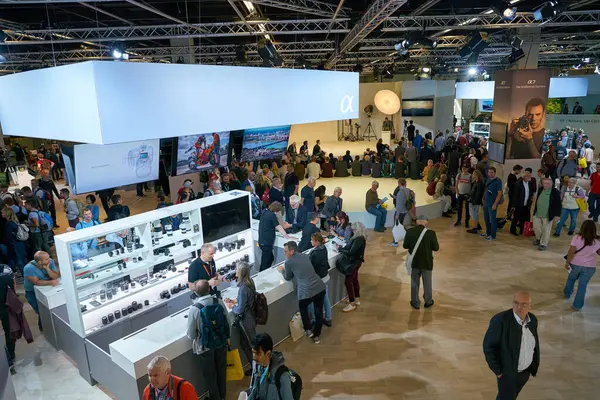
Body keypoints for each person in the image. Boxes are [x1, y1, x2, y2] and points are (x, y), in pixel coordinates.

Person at [483, 291, 540, 400]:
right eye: (516, 303)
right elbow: (489, 347)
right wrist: (498, 371)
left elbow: (533, 343)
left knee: (508, 397)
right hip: (507, 374)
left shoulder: (533, 320)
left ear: (530, 306)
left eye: (524, 304)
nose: (519, 307)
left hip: (524, 373)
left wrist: (532, 366)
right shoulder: (500, 320)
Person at [186, 280, 229, 400]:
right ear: (209, 289)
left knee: (210, 375)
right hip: (221, 342)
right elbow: (227, 322)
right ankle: (223, 396)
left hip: (204, 347)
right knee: (221, 371)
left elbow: (191, 334)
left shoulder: (194, 309)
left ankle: (215, 398)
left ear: (196, 293)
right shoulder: (218, 302)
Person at [277, 241, 326, 344]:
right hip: (320, 287)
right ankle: (317, 335)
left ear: (292, 251)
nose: (284, 253)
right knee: (319, 312)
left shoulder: (288, 262)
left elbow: (287, 277)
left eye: (285, 251)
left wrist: (281, 270)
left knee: (302, 307)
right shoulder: (304, 255)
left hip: (307, 291)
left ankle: (308, 329)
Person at [225, 262, 256, 374]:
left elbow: (240, 310)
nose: (235, 272)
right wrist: (235, 301)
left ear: (240, 272)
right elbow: (247, 300)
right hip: (251, 318)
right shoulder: (250, 282)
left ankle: (256, 369)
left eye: (237, 270)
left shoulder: (243, 288)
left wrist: (232, 306)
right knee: (247, 343)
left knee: (251, 345)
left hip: (246, 321)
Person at [403, 215, 439, 310]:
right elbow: (436, 248)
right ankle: (428, 301)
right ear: (426, 222)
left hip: (414, 262)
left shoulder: (410, 232)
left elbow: (405, 246)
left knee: (414, 282)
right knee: (427, 283)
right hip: (427, 262)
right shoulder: (431, 233)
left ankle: (415, 302)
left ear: (416, 222)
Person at [563, 220, 600, 311]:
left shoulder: (576, 238)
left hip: (575, 264)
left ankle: (567, 293)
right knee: (582, 286)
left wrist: (567, 262)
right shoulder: (597, 241)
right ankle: (577, 306)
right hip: (590, 267)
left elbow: (571, 251)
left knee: (571, 279)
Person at [246, 333, 294, 400]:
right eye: (253, 352)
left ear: (268, 353)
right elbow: (254, 389)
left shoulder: (282, 376)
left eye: (258, 353)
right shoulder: (257, 365)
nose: (254, 357)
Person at [24, 251, 60, 331]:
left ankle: (48, 326)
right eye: (47, 259)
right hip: (32, 291)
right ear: (40, 262)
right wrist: (50, 282)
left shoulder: (50, 262)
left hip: (46, 289)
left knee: (49, 307)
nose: (49, 260)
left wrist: (47, 268)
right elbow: (36, 282)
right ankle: (43, 327)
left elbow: (55, 276)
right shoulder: (28, 268)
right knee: (40, 310)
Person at [338, 222, 367, 313]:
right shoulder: (360, 238)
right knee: (354, 280)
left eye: (353, 230)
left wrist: (340, 249)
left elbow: (351, 252)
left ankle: (352, 303)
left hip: (354, 263)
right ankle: (356, 299)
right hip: (357, 262)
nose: (352, 231)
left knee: (348, 281)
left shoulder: (359, 239)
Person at [307, 232, 332, 327]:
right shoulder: (324, 248)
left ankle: (315, 320)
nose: (311, 241)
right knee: (326, 299)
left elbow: (310, 267)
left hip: (317, 281)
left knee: (312, 301)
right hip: (325, 277)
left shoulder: (314, 253)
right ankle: (328, 318)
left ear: (316, 241)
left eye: (312, 240)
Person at [258, 202, 292, 272]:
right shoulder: (272, 215)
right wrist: (287, 236)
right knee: (265, 263)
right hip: (267, 243)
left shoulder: (265, 212)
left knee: (270, 259)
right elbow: (279, 227)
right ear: (277, 210)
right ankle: (262, 276)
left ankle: (265, 273)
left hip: (262, 241)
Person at [532, 177, 561, 251]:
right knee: (536, 227)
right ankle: (538, 238)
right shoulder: (541, 189)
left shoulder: (555, 192)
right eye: (545, 183)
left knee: (546, 230)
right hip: (537, 212)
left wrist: (557, 215)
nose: (546, 185)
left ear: (551, 184)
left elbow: (558, 204)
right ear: (542, 183)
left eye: (548, 183)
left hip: (548, 214)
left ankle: (543, 244)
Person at [1, 207, 28, 277]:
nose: (1, 214)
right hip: (20, 243)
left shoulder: (9, 223)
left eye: (2, 212)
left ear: (7, 213)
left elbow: (8, 236)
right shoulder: (14, 221)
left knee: (20, 261)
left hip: (15, 244)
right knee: (23, 259)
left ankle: (25, 276)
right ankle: (26, 274)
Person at [0, 264, 16, 368]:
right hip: (6, 307)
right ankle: (10, 354)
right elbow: (12, 291)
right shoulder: (6, 273)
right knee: (9, 331)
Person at [510, 171, 534, 236]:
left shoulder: (529, 183)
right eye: (529, 176)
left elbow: (530, 192)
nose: (530, 177)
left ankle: (522, 230)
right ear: (524, 177)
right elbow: (515, 196)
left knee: (524, 218)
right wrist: (514, 206)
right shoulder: (518, 184)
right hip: (518, 204)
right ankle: (512, 230)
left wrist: (531, 197)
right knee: (516, 218)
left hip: (526, 204)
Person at [482, 167, 503, 241]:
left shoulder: (498, 181)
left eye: (492, 172)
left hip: (492, 203)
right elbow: (486, 189)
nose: (490, 174)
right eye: (489, 172)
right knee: (486, 219)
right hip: (486, 203)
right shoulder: (488, 179)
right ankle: (488, 232)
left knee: (492, 220)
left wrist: (495, 204)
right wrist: (483, 198)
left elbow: (499, 193)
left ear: (495, 172)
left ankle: (493, 236)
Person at [389, 178, 411, 247]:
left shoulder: (400, 192)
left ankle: (395, 242)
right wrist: (395, 197)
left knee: (396, 227)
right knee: (400, 225)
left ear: (399, 183)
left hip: (400, 212)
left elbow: (399, 205)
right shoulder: (407, 190)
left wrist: (397, 215)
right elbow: (403, 199)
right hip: (404, 211)